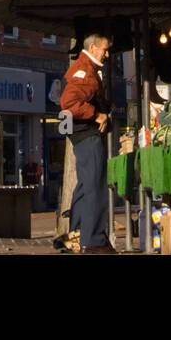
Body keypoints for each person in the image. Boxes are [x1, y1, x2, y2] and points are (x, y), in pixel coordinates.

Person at [60, 33, 116, 255]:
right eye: (104, 49)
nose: (107, 53)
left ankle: (76, 236)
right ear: (93, 48)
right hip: (87, 135)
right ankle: (92, 242)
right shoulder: (85, 71)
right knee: (95, 187)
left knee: (85, 186)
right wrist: (97, 115)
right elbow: (69, 103)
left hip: (82, 134)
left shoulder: (86, 69)